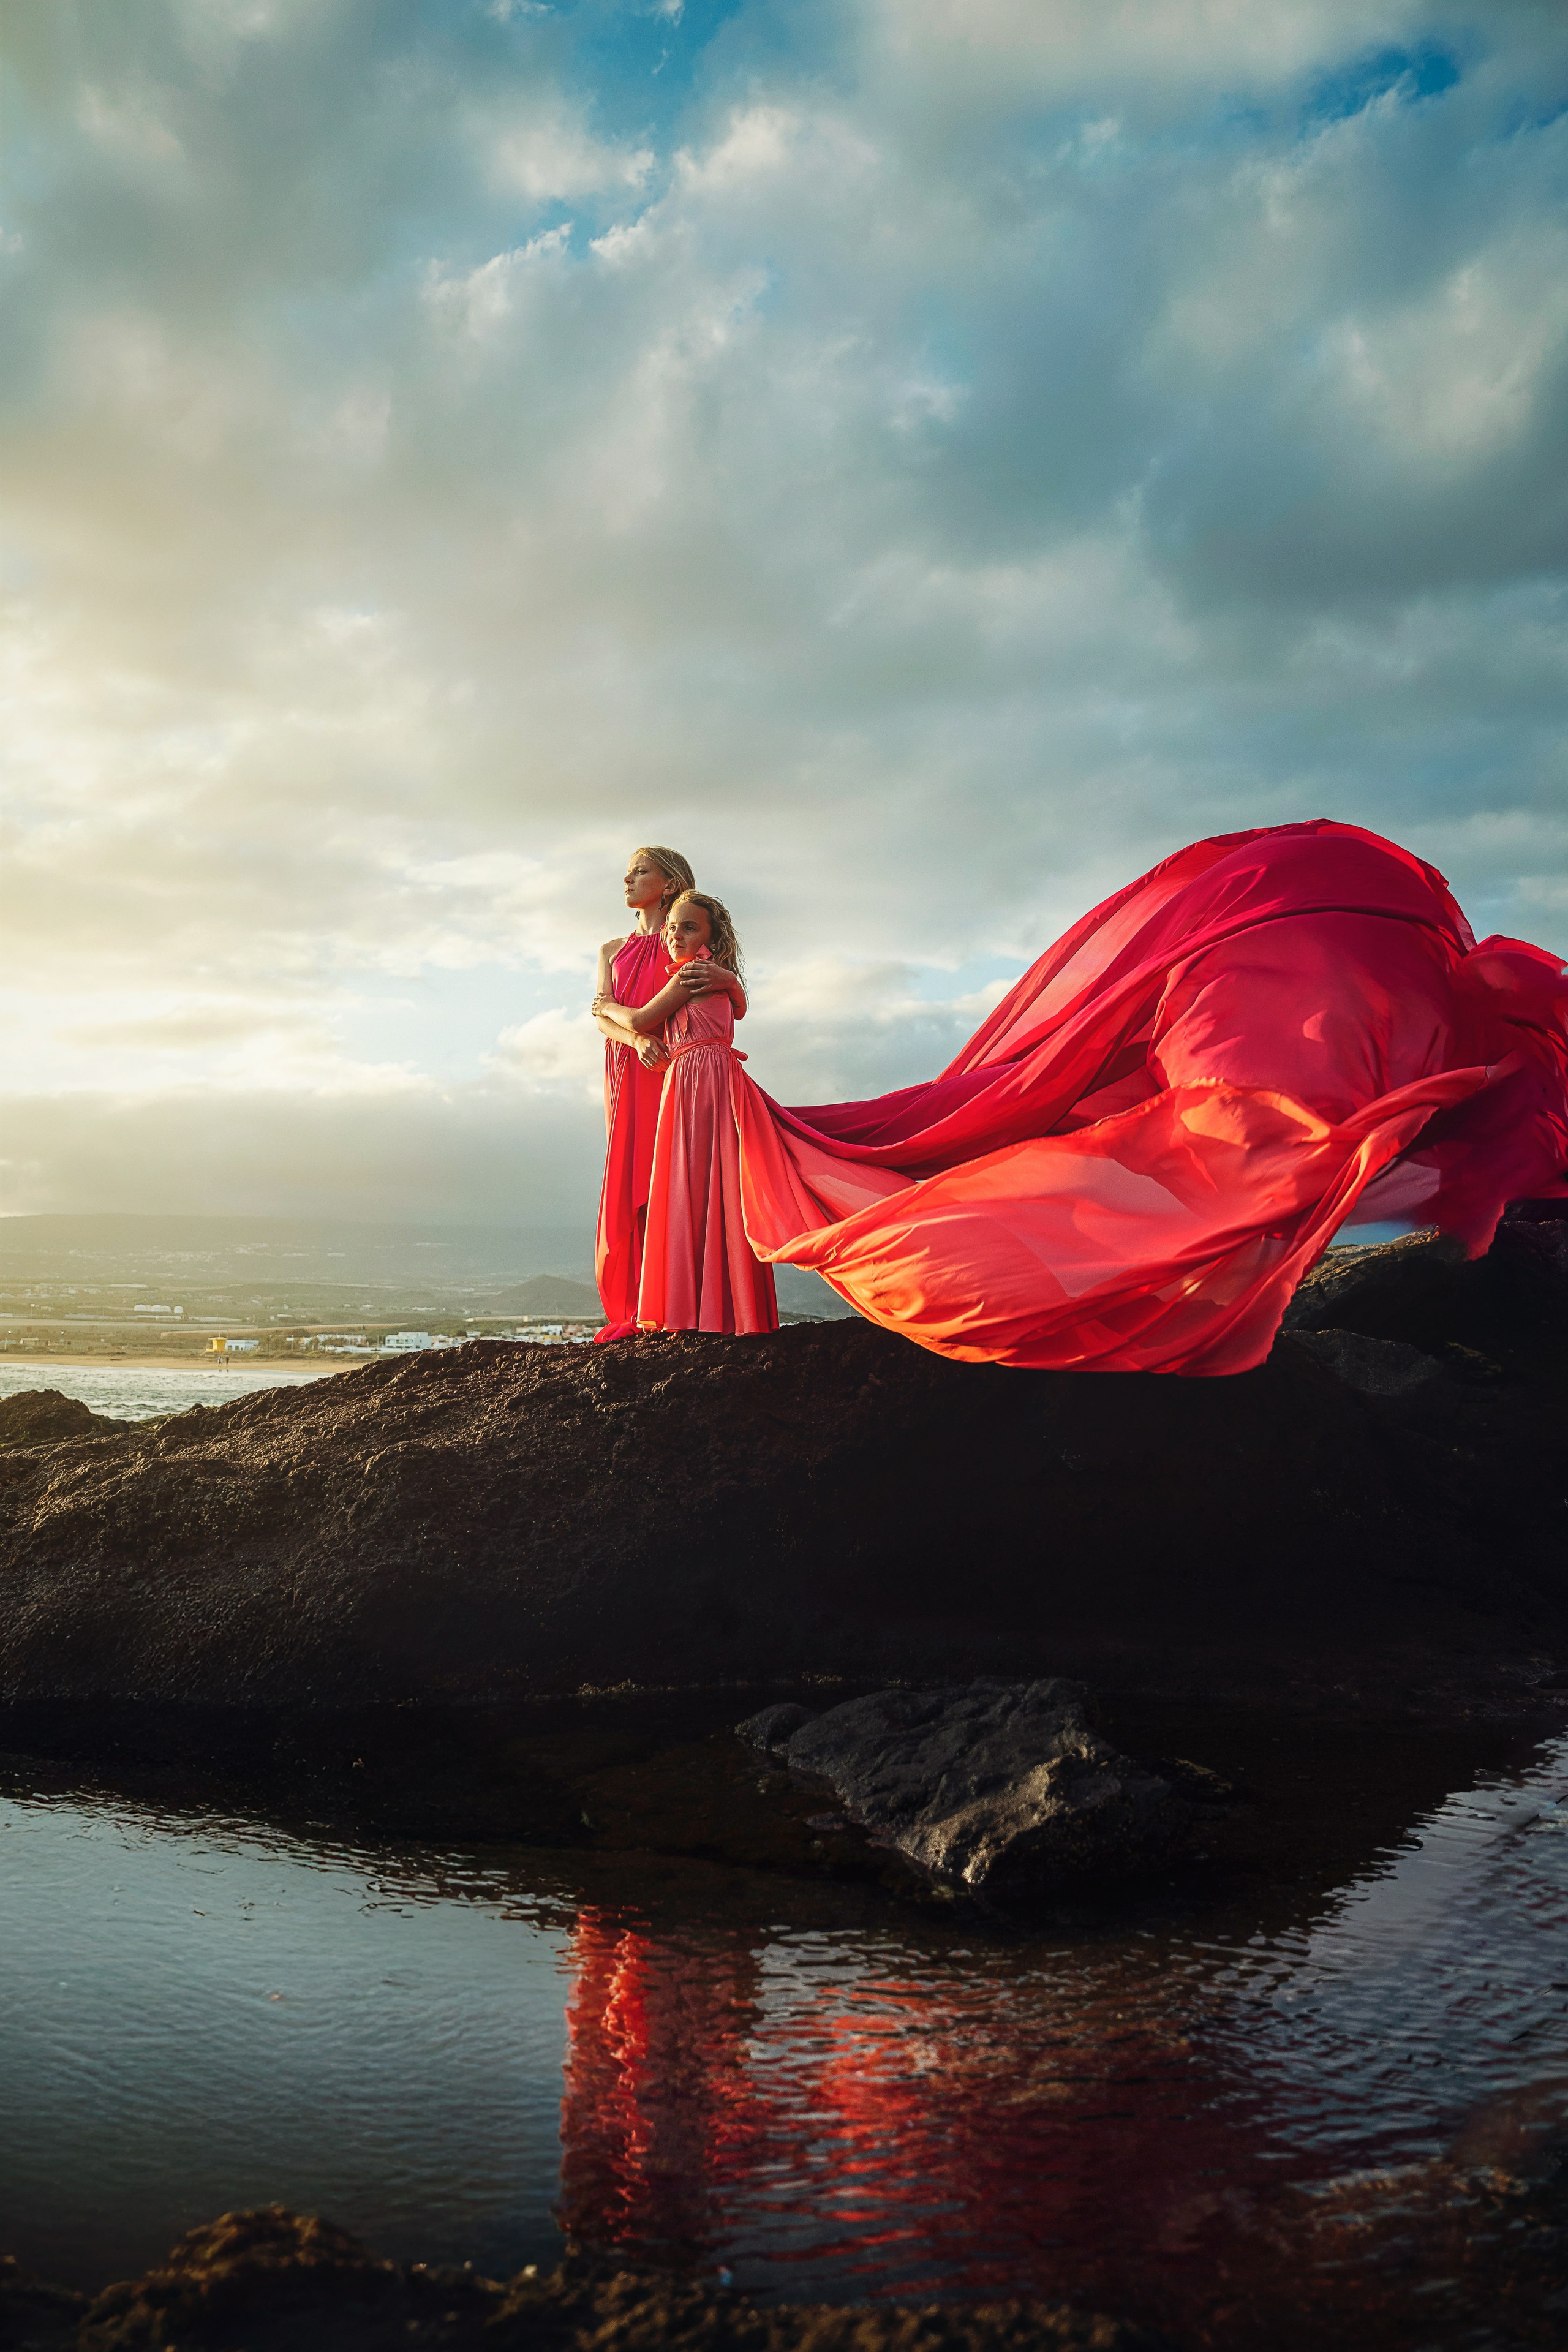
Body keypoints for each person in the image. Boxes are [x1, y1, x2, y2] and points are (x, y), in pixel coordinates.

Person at [715, 820, 1567, 1375]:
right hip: (1318, 918)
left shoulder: (1406, 997)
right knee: (1234, 1137)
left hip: (1311, 915)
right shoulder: (1430, 1000)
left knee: (1231, 1136)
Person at [624, 890, 778, 1336]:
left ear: (713, 936)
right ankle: (726, 1310)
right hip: (711, 1077)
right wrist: (733, 983)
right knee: (718, 1189)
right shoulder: (715, 972)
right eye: (672, 926)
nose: (675, 934)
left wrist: (605, 1009)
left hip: (698, 1078)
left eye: (689, 927)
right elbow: (742, 1007)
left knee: (691, 1185)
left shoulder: (692, 973)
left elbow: (640, 1022)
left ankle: (692, 1312)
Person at [589, 846, 696, 1341]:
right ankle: (637, 1304)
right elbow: (602, 1020)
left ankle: (672, 1299)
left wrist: (621, 1019)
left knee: (666, 1175)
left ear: (670, 884)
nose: (627, 879)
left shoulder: (683, 945)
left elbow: (613, 1009)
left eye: (640, 871)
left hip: (670, 1066)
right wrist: (633, 1039)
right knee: (631, 1175)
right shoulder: (611, 949)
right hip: (627, 1065)